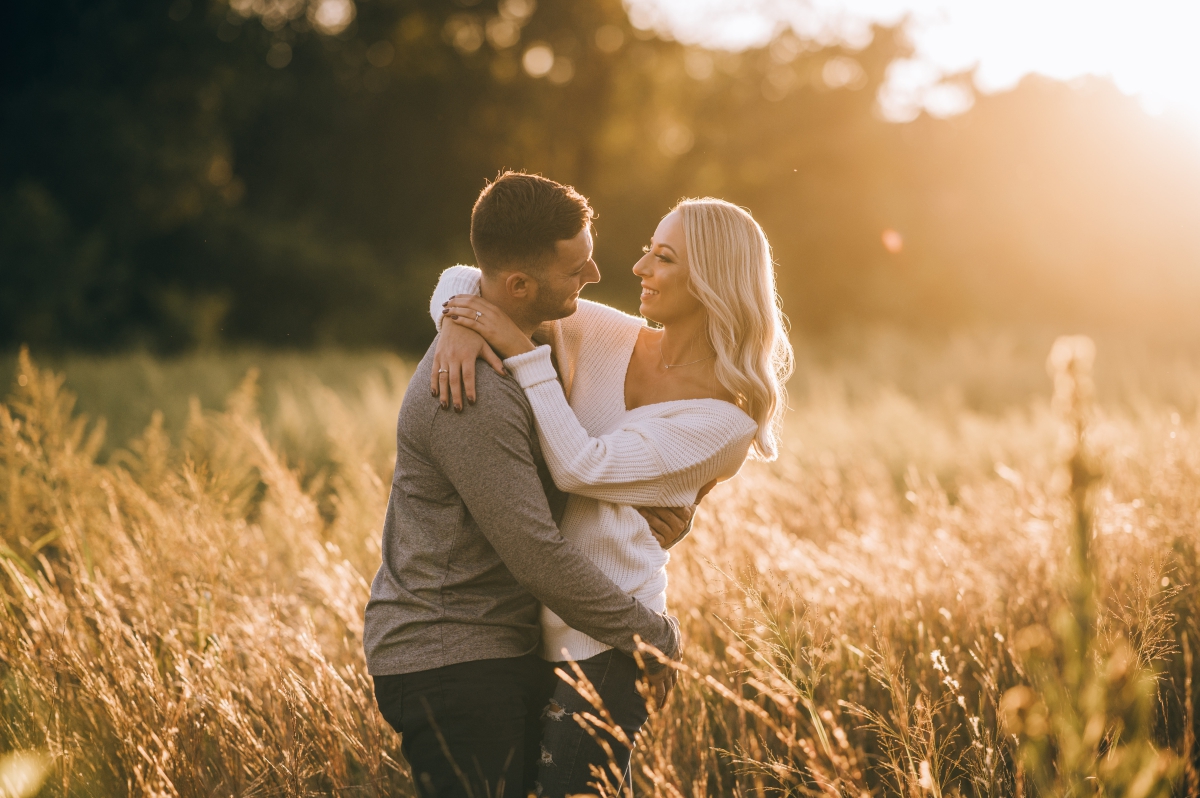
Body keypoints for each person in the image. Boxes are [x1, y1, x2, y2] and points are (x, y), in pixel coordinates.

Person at [430, 195, 794, 796]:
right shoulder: (603, 333)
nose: (639, 268)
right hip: (525, 629)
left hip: (610, 641)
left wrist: (521, 352)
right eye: (649, 249)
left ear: (711, 280)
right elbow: (470, 277)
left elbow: (580, 467)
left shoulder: (726, 422)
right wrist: (458, 324)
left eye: (664, 257)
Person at [363, 172, 691, 798]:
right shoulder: (471, 390)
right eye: (576, 269)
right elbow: (535, 550)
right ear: (519, 285)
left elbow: (469, 277)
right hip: (450, 656)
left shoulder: (535, 340)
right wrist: (651, 635)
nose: (594, 276)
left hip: (497, 646)